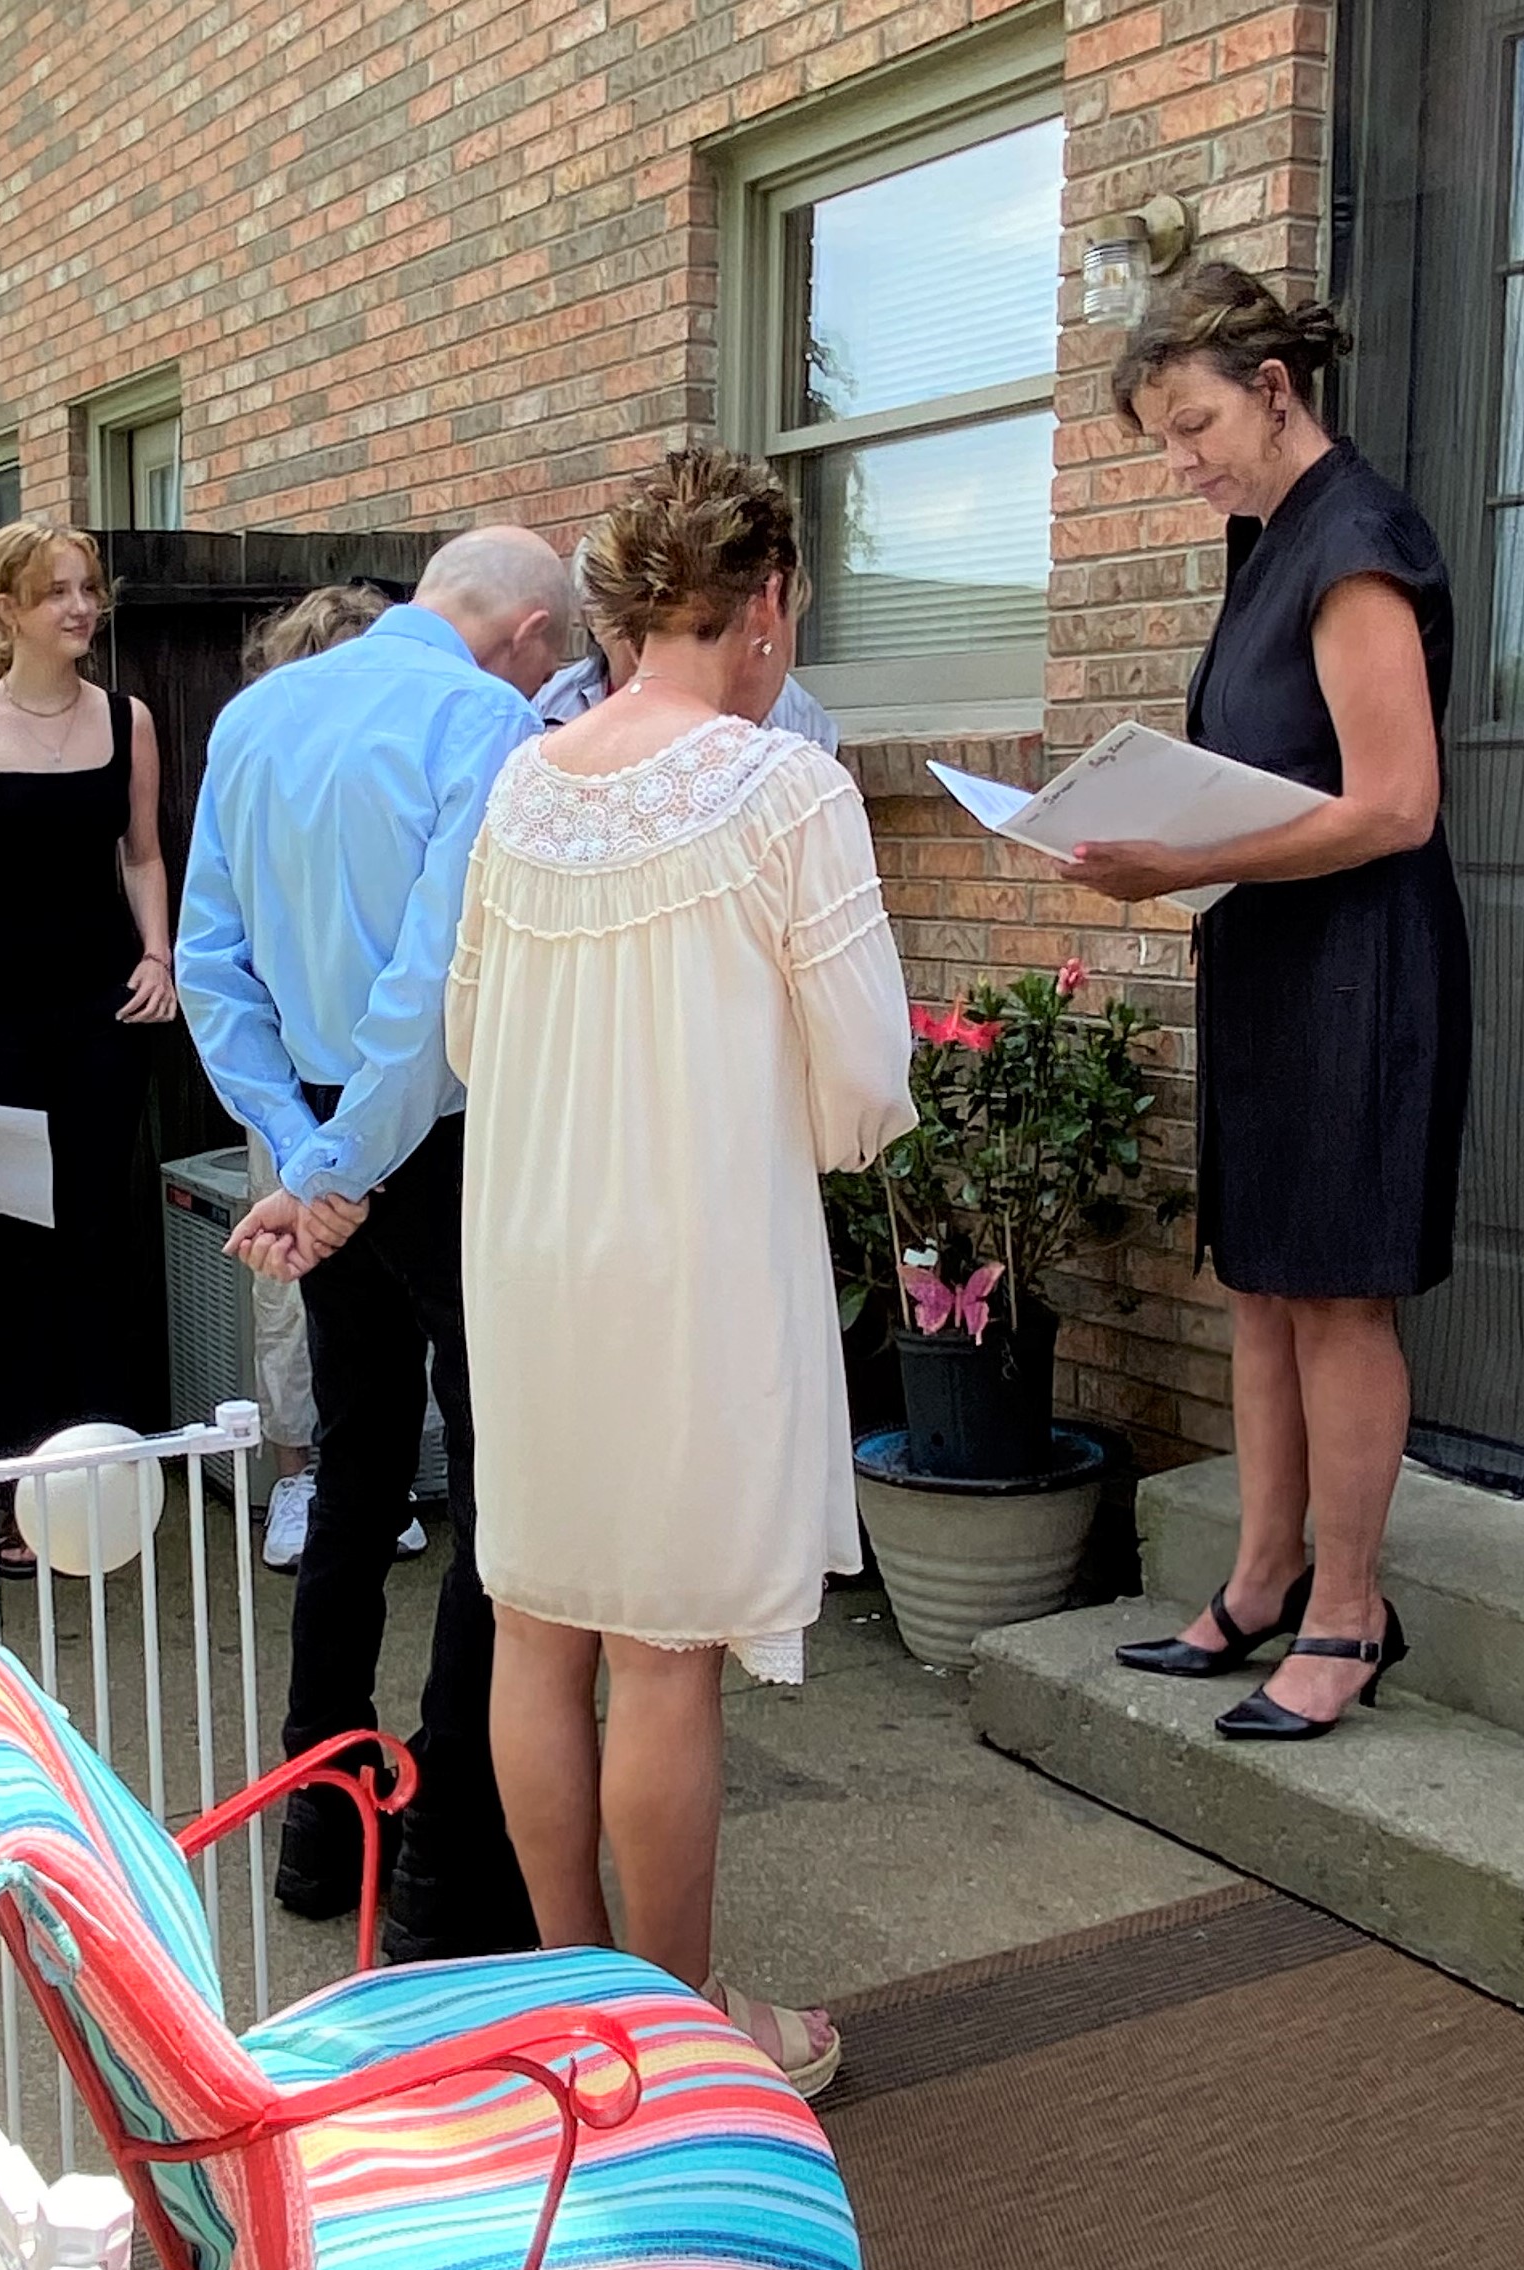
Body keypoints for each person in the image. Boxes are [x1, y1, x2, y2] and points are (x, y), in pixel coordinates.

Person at [450, 452, 914, 2095]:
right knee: (660, 1653)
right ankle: (676, 2036)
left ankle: (578, 2015)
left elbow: (467, 1031)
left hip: (526, 1245)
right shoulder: (786, 789)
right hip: (689, 1247)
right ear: (763, 598)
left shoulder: (521, 785)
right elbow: (863, 1083)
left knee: (536, 1625)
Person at [1079, 264, 1470, 1741]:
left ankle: (1350, 1613)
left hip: (1358, 964)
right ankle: (1260, 1577)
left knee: (1337, 1293)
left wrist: (1181, 861)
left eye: (1194, 428)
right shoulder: (1265, 541)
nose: (1182, 464)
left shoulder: (1354, 538)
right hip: (1268, 957)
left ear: (1273, 389)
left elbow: (1395, 804)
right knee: (1259, 1280)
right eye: (1161, 442)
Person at [177, 526, 574, 1963]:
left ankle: (319, 1819)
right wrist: (344, 1165)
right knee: (498, 1484)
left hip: (312, 1126)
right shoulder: (484, 721)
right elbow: (436, 972)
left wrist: (302, 1151)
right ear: (530, 635)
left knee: (354, 1467)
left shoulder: (253, 715)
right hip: (438, 1136)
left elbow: (210, 962)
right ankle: (445, 1865)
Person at [0, 522, 178, 1567]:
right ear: (5, 610)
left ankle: (106, 1486)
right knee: (17, 1254)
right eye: (55, 591)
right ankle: (26, 1494)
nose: (79, 607)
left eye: (88, 588)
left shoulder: (128, 719)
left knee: (99, 1242)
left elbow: (143, 856)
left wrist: (158, 954)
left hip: (104, 1018)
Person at [230, 584, 419, 1575]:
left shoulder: (403, 777)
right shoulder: (263, 776)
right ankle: (303, 1473)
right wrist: (308, 1148)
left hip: (403, 1081)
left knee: (401, 1290)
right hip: (297, 1082)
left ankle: (383, 1476)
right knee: (296, 1287)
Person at [534, 521, 843, 750]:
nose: (643, 626)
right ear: (591, 620)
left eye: (658, 602)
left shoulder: (789, 707)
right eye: (621, 613)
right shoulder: (550, 705)